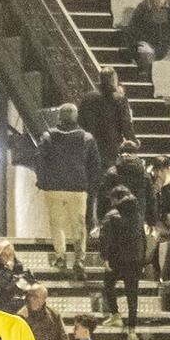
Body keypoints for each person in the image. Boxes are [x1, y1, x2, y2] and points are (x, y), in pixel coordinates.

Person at [29, 103, 101, 273]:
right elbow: (95, 165)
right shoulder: (87, 138)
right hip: (78, 187)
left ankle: (60, 256)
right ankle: (79, 259)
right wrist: (91, 186)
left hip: (54, 188)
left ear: (59, 117)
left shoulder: (48, 136)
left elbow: (39, 159)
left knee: (57, 224)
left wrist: (43, 181)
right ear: (76, 117)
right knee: (79, 225)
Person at [97, 184, 148, 325]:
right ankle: (132, 329)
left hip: (116, 258)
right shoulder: (138, 214)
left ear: (116, 199)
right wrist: (143, 260)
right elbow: (143, 237)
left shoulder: (111, 215)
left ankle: (115, 315)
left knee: (108, 285)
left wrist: (105, 257)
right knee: (132, 294)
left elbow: (105, 238)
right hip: (135, 259)